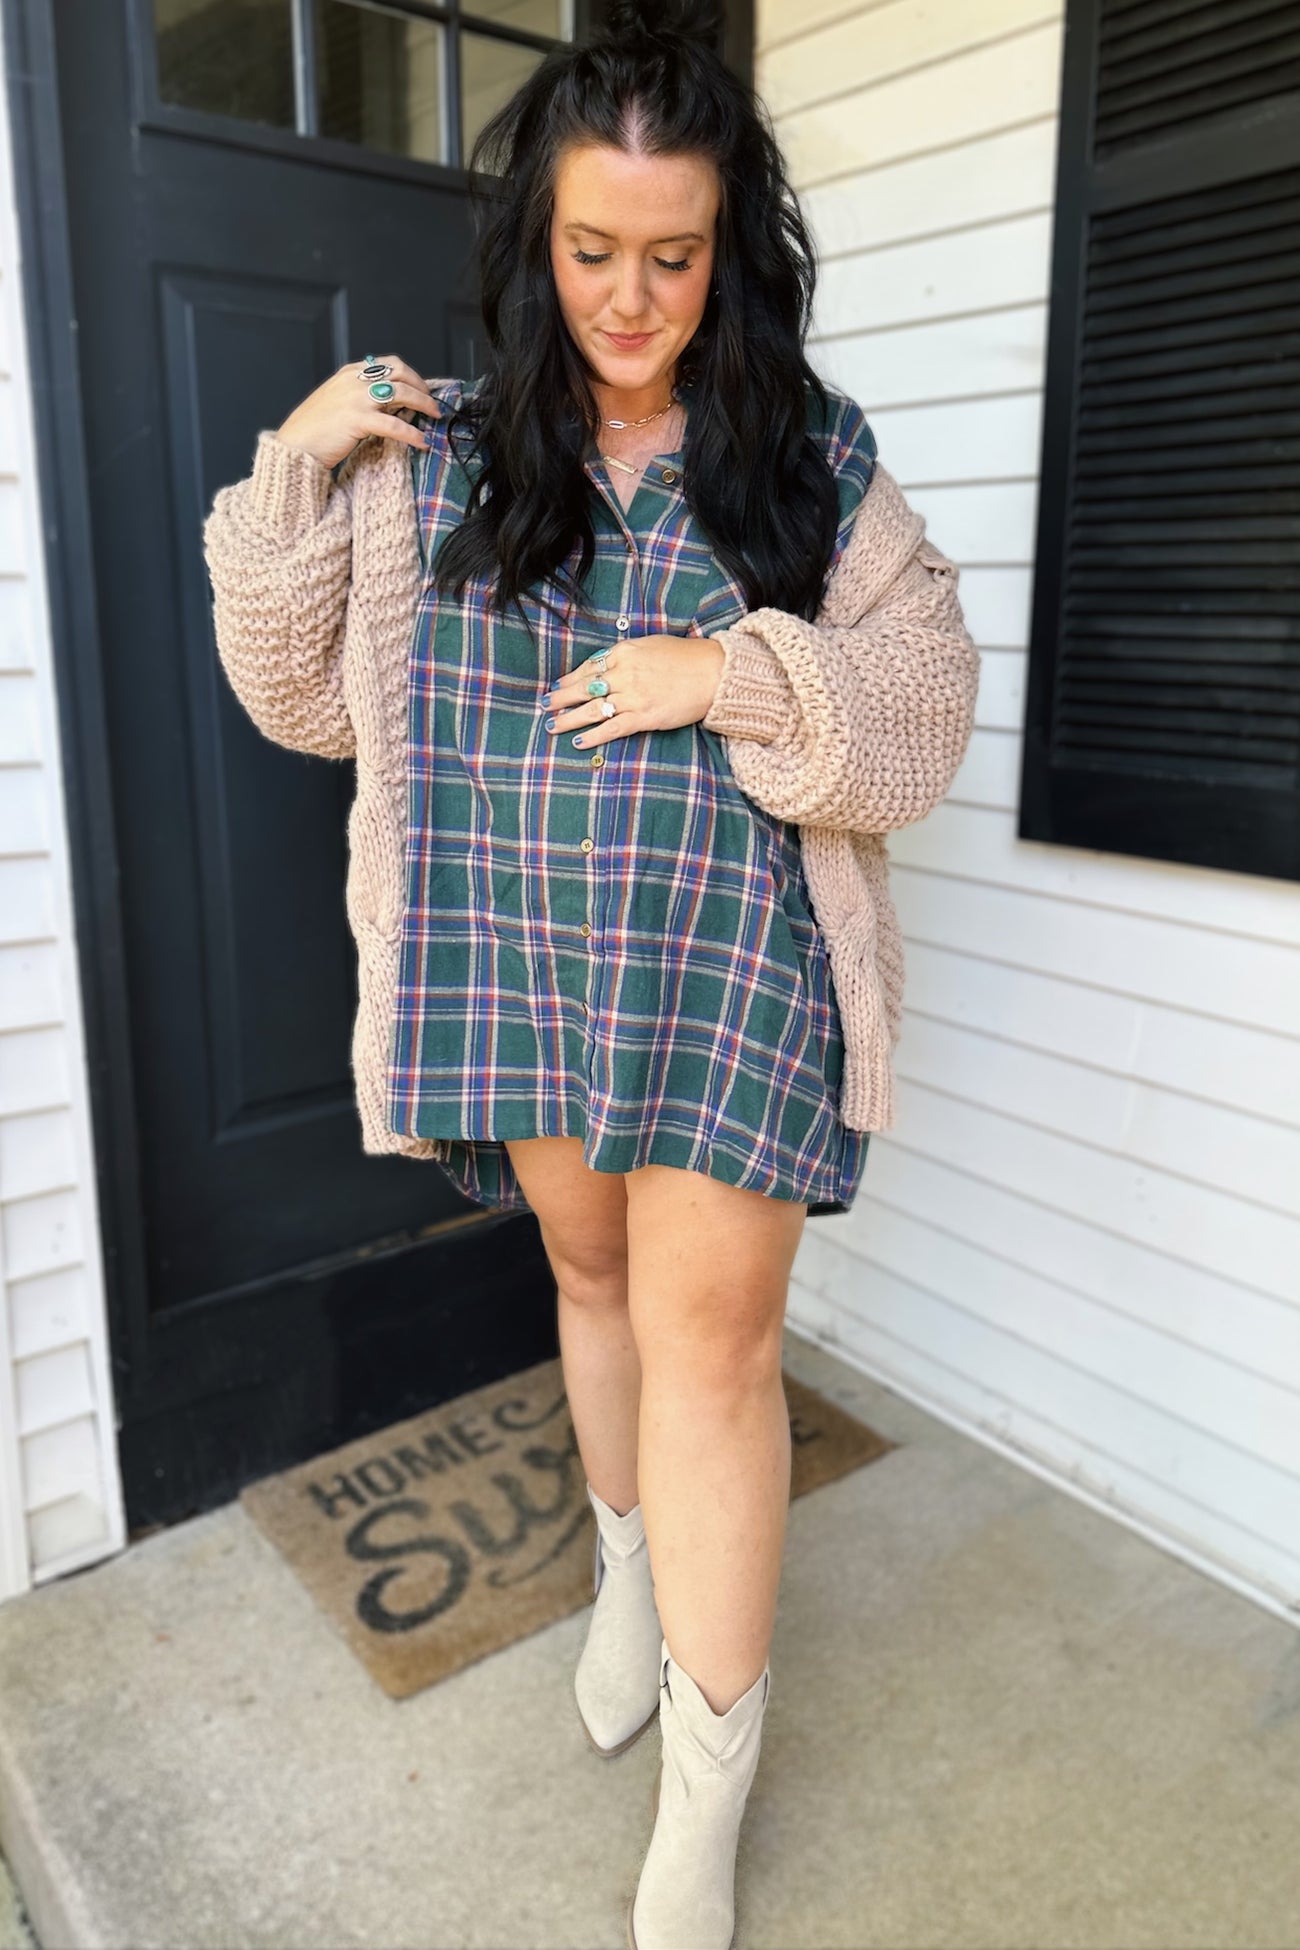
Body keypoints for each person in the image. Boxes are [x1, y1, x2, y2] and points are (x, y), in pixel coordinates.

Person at [203, 3, 978, 1943]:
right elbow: (301, 703)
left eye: (675, 254)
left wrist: (731, 675)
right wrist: (292, 468)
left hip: (731, 976)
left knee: (716, 1355)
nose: (631, 299)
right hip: (516, 960)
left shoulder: (810, 465)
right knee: (592, 1278)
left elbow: (922, 717)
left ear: (731, 252)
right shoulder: (442, 457)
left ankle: (705, 1787)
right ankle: (626, 1578)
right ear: (534, 242)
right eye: (592, 249)